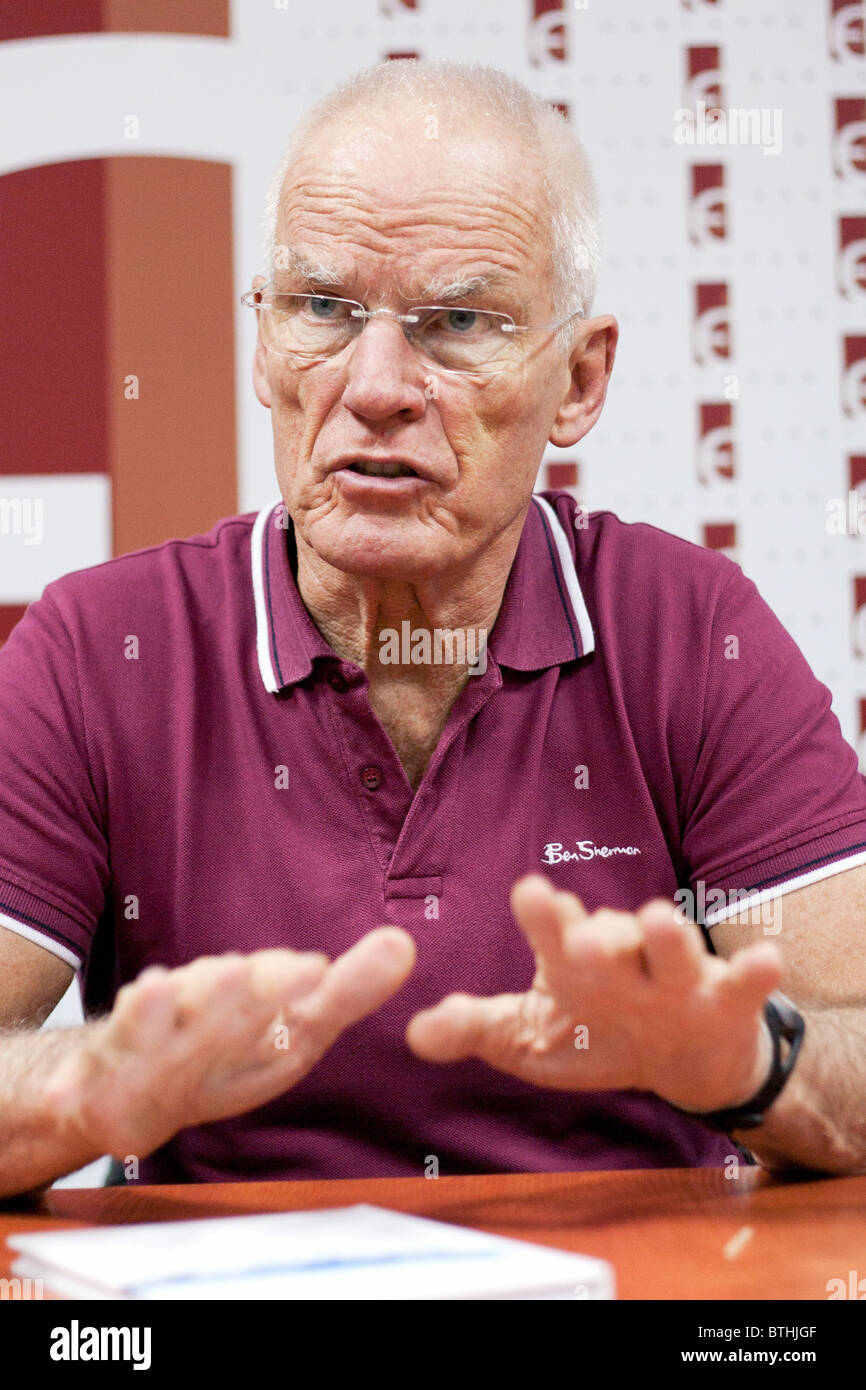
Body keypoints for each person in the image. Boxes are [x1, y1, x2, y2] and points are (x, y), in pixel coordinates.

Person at [1, 60, 864, 1197]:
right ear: (262, 343)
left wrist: (752, 1063)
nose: (375, 386)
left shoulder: (690, 631)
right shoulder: (101, 651)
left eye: (456, 321)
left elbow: (850, 1047)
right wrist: (79, 1090)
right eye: (321, 308)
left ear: (578, 378)